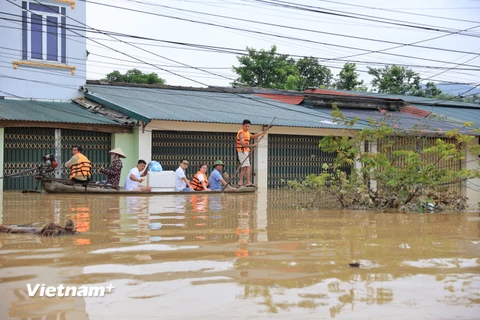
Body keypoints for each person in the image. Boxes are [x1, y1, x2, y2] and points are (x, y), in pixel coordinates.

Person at [237, 119, 267, 187]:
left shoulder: (247, 132)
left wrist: (261, 133)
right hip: (242, 151)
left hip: (245, 151)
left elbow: (253, 136)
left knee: (244, 167)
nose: (247, 128)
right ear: (242, 126)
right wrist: (253, 145)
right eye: (246, 126)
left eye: (248, 126)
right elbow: (243, 144)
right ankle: (248, 182)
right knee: (248, 167)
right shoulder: (241, 133)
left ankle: (240, 181)